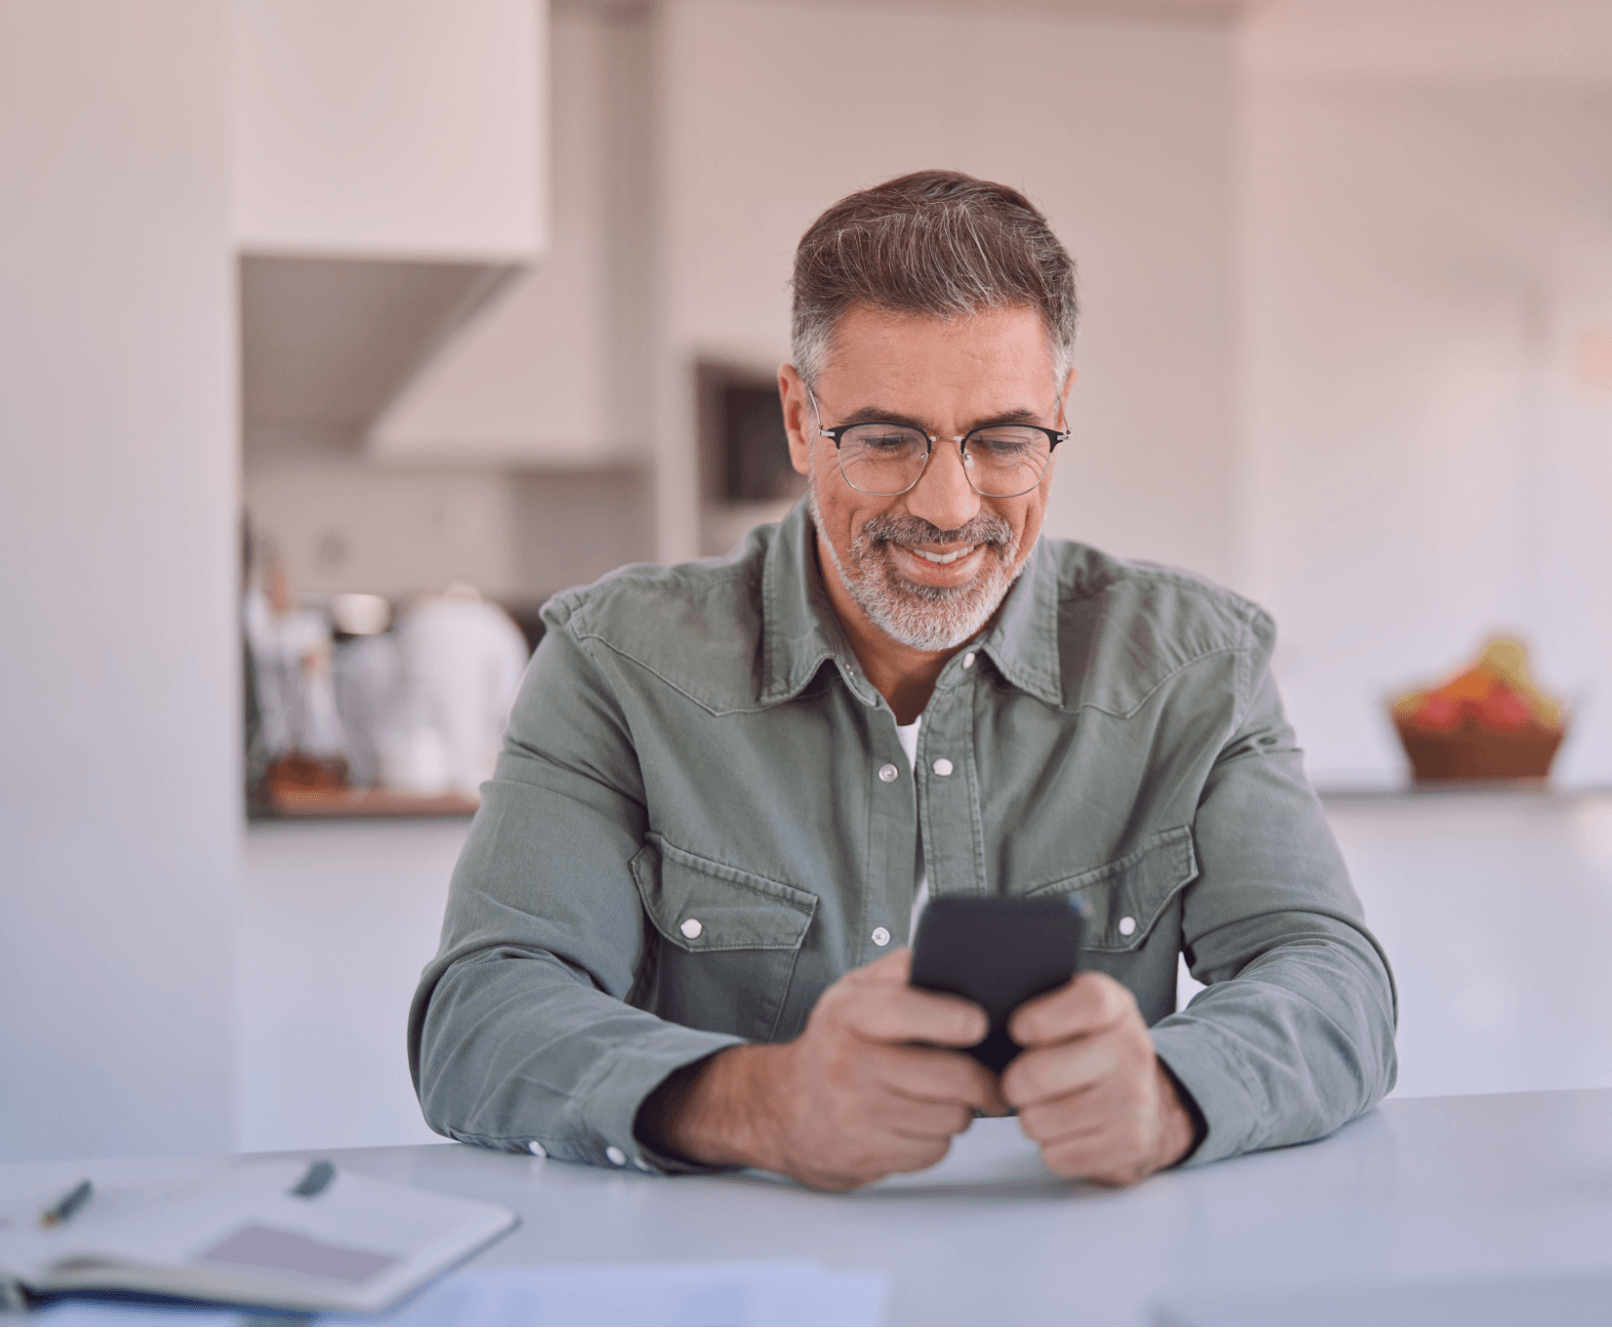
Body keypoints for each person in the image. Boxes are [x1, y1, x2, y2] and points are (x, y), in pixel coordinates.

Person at [409, 171, 1396, 1192]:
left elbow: (1334, 983)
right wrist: (760, 1101)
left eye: (1004, 439)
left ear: (1058, 417)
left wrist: (1173, 1094)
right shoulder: (616, 661)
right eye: (885, 439)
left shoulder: (1198, 664)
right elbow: (481, 1016)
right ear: (800, 420)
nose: (946, 502)